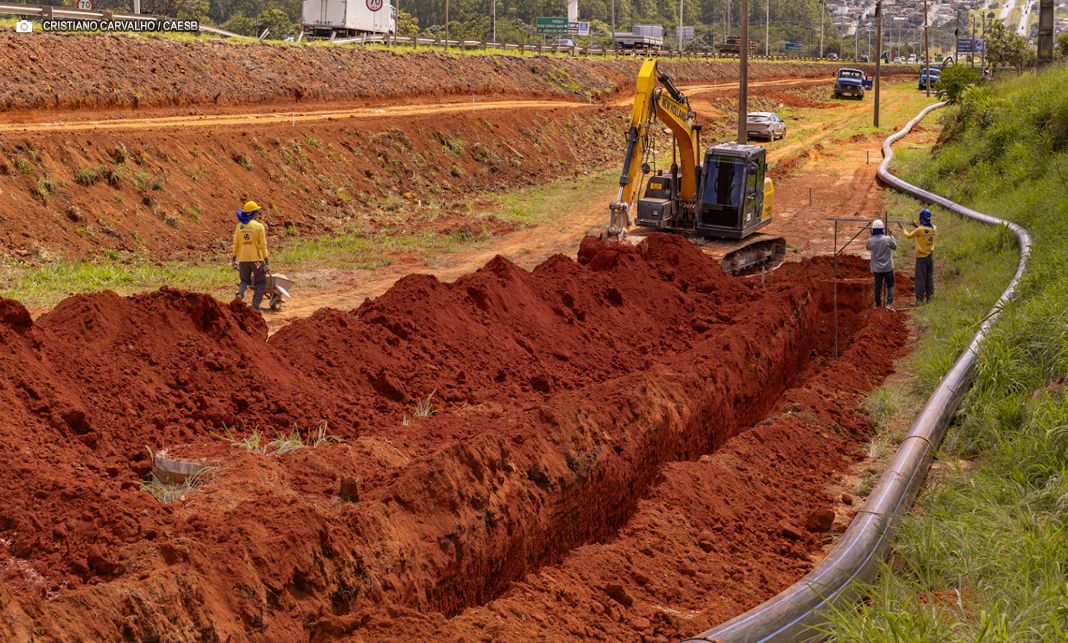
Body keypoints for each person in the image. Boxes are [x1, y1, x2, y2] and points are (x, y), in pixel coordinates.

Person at [232, 200, 269, 312]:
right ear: (254, 213)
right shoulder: (258, 226)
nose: (259, 214)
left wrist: (234, 259)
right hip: (256, 260)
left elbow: (236, 244)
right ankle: (255, 307)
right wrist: (266, 262)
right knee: (260, 282)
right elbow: (263, 245)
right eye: (257, 212)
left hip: (243, 259)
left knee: (244, 281)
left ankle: (240, 294)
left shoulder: (239, 226)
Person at [899, 208, 936, 304]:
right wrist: (916, 226)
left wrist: (902, 228)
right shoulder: (934, 228)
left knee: (920, 278)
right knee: (929, 277)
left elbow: (909, 235)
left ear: (921, 218)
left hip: (921, 258)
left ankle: (919, 300)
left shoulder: (920, 230)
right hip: (930, 256)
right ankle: (930, 298)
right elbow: (924, 231)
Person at [865, 218, 897, 308]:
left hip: (877, 269)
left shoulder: (871, 240)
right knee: (890, 285)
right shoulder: (887, 239)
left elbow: (867, 247)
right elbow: (894, 247)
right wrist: (891, 235)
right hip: (888, 267)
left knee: (878, 287)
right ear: (882, 229)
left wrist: (871, 236)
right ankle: (889, 304)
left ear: (873, 230)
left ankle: (878, 304)